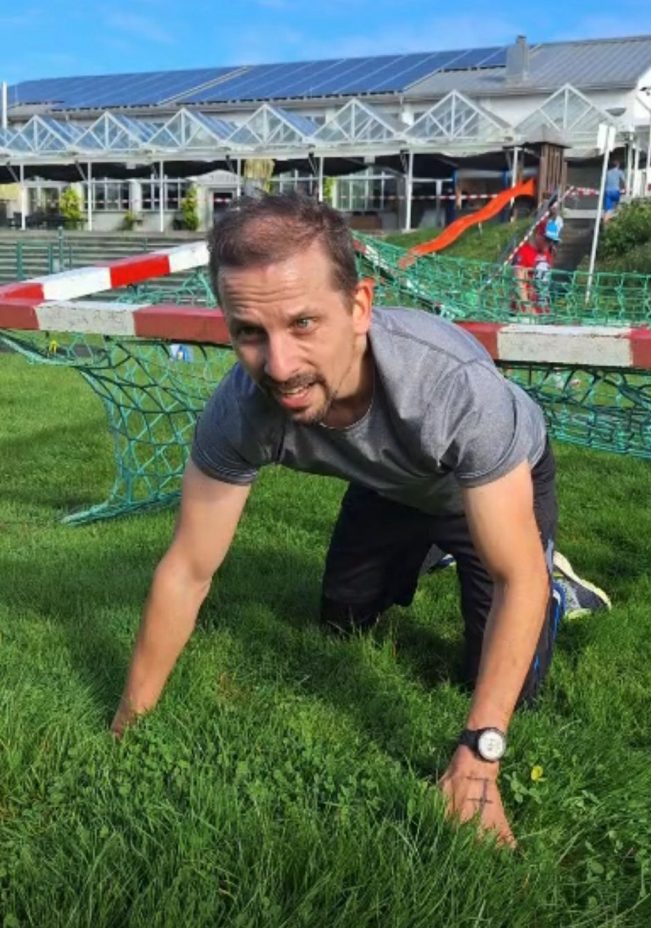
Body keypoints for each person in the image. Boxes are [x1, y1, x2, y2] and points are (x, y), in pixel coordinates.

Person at [111, 193, 607, 848]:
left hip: (489, 486)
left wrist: (479, 758)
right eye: (250, 332)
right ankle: (431, 551)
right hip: (388, 485)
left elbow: (514, 580)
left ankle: (558, 586)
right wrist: (128, 724)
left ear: (359, 308)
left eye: (303, 323)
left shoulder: (451, 387)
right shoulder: (238, 411)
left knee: (507, 683)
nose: (280, 367)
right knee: (341, 620)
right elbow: (187, 569)